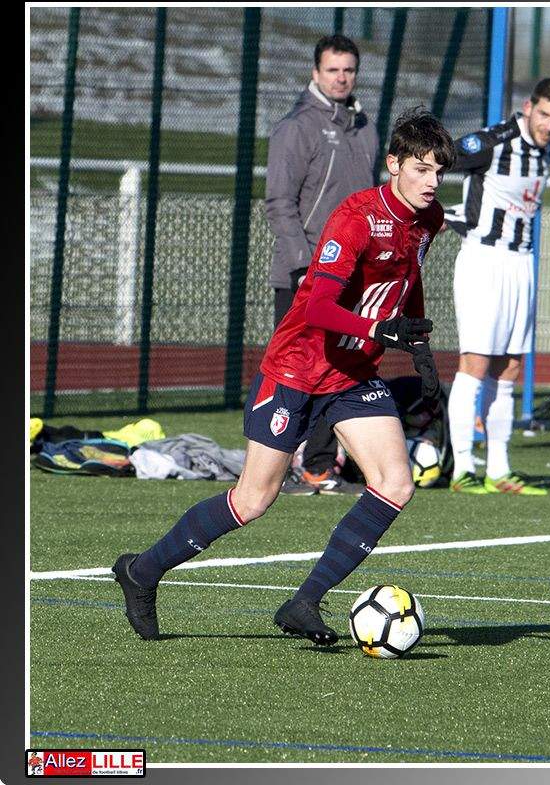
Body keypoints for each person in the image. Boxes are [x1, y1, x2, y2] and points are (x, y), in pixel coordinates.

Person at [112, 108, 453, 646]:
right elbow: (317, 307)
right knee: (252, 500)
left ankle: (304, 602)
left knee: (395, 483)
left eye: (440, 171)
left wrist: (420, 349)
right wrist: (377, 326)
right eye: (422, 168)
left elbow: (406, 280)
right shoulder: (355, 217)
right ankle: (142, 571)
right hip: (296, 368)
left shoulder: (428, 220)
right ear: (393, 164)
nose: (432, 182)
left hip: (352, 375)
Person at [442, 77, 550, 496]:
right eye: (544, 114)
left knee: (510, 367)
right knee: (476, 363)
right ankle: (463, 467)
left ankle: (499, 468)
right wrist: (446, 215)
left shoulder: (545, 147)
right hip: (484, 260)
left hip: (522, 264)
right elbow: (437, 162)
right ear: (528, 106)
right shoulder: (495, 140)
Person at [265, 34, 378, 496]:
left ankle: (317, 467)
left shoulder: (365, 126)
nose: (341, 78)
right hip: (304, 278)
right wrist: (304, 264)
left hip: (350, 279)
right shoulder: (296, 127)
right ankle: (273, 469)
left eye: (348, 70)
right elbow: (278, 203)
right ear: (315, 73)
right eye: (332, 70)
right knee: (292, 376)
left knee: (338, 372)